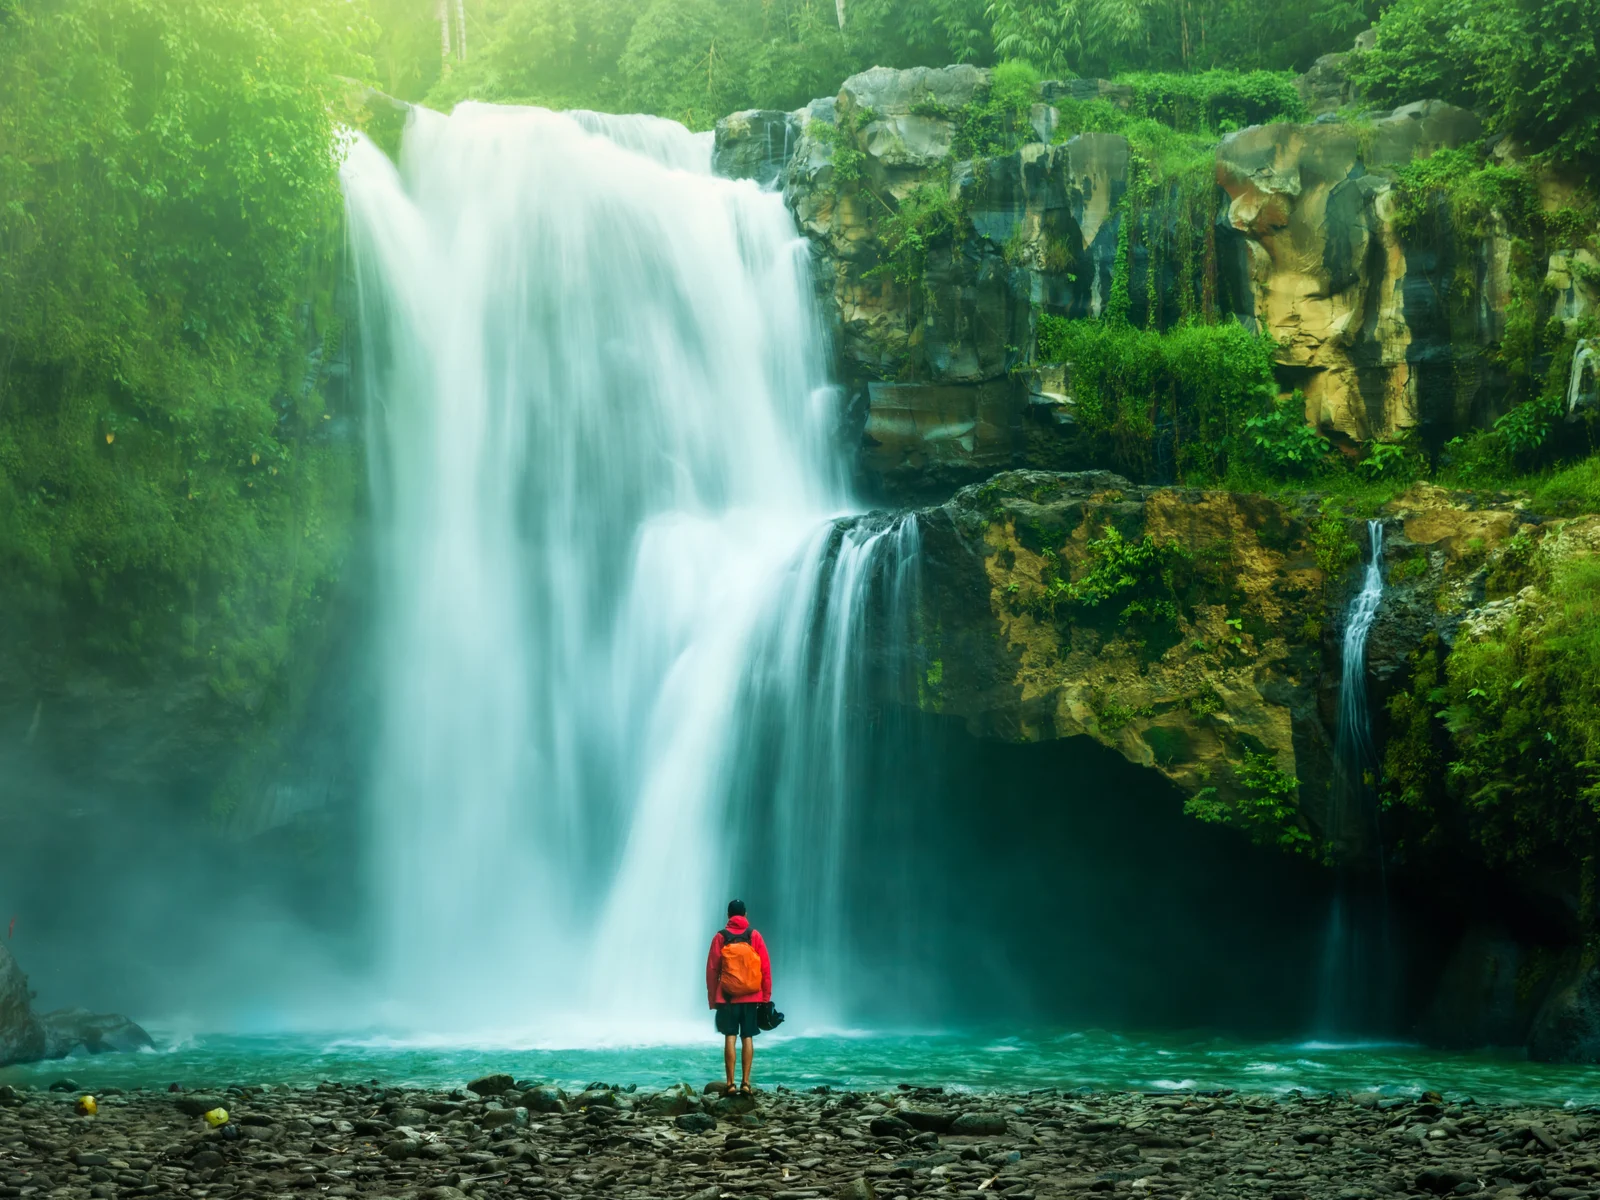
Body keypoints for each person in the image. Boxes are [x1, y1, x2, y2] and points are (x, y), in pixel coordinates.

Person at [705, 899, 771, 1095]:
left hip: (727, 997)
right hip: (751, 997)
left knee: (730, 1037)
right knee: (748, 1037)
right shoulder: (754, 936)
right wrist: (765, 997)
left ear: (728, 916)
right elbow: (765, 968)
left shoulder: (720, 937)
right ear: (745, 915)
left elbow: (711, 970)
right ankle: (746, 1083)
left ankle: (730, 1084)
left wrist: (712, 999)